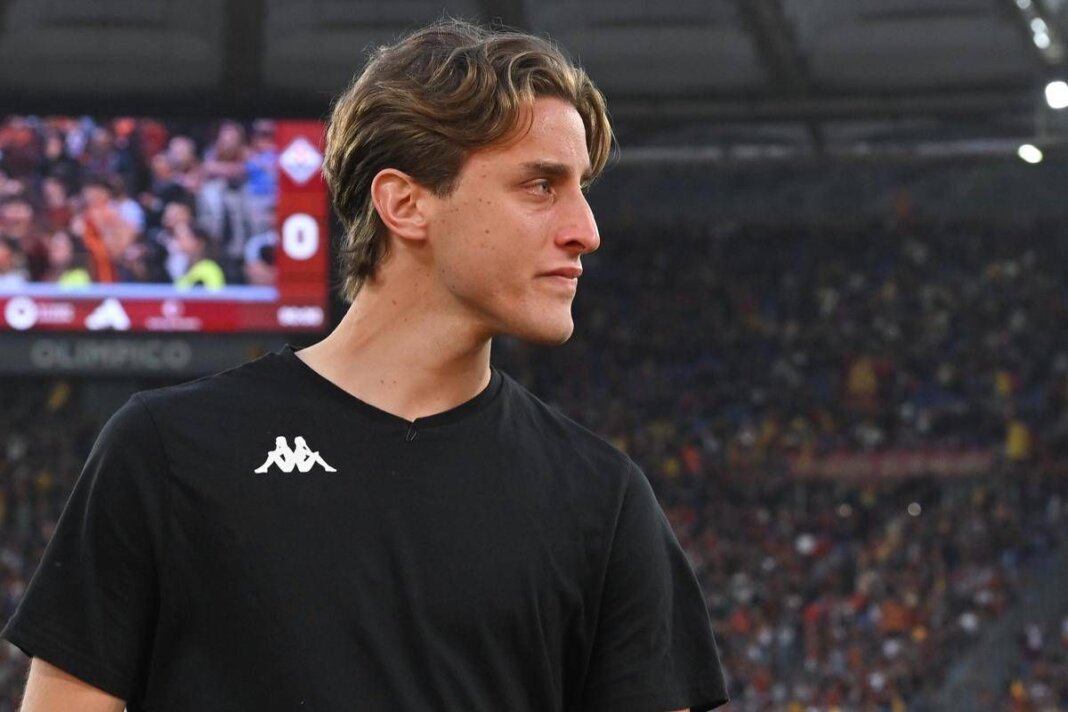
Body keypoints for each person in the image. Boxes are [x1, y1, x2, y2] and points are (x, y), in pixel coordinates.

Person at [1, 19, 728, 712]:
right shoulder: (165, 452)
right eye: (541, 186)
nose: (586, 231)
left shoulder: (603, 501)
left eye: (581, 190)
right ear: (404, 203)